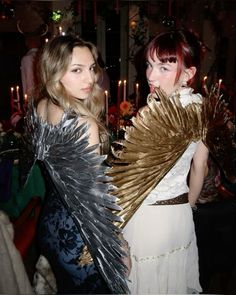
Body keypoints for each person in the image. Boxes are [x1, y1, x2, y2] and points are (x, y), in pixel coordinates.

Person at [24, 35, 129, 294]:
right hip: (79, 239)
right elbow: (95, 204)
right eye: (77, 70)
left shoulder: (42, 106)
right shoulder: (84, 124)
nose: (90, 78)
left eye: (92, 68)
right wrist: (120, 247)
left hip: (49, 227)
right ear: (55, 72)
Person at [109, 29, 209, 294]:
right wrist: (185, 207)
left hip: (148, 220)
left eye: (164, 67)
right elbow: (201, 167)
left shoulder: (153, 113)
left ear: (189, 74)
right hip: (180, 217)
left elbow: (127, 180)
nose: (151, 76)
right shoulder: (201, 107)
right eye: (150, 65)